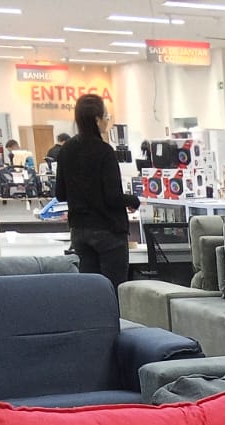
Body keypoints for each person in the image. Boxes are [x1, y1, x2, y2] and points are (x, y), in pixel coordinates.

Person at [53, 94, 140, 290]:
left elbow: (60, 194)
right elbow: (113, 197)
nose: (107, 121)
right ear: (96, 119)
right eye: (105, 116)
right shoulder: (104, 151)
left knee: (90, 290)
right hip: (108, 231)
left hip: (79, 231)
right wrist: (133, 200)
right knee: (114, 289)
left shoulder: (66, 150)